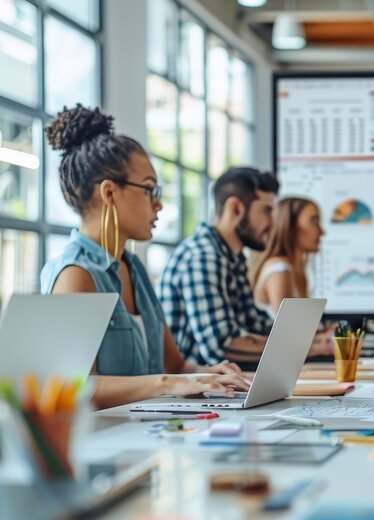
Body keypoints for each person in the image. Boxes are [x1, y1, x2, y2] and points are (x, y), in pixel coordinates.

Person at [40, 105, 250, 410]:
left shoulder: (134, 268)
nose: (159, 204)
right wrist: (167, 383)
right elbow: (72, 386)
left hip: (151, 432)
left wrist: (209, 374)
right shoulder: (76, 273)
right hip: (106, 444)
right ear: (109, 193)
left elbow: (175, 367)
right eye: (149, 190)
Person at [159, 168, 332, 370]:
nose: (273, 223)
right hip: (196, 389)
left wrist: (315, 336)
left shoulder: (232, 257)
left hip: (223, 384)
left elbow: (255, 324)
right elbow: (222, 345)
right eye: (266, 211)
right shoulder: (202, 257)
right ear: (236, 209)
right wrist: (308, 347)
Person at [249, 197, 325, 315]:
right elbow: (290, 331)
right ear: (289, 227)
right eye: (314, 222)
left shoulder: (294, 270)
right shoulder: (280, 270)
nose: (322, 231)